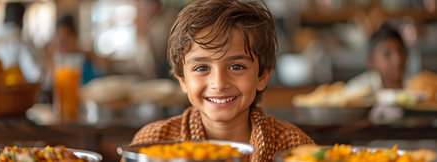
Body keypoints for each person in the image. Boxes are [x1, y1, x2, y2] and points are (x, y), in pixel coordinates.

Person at [129, 0, 314, 161]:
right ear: (182, 80)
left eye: (236, 67)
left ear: (262, 76)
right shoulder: (152, 143)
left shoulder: (295, 146)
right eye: (202, 68)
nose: (219, 83)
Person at [346, 24, 408, 94]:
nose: (397, 60)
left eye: (401, 51)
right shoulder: (356, 91)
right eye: (387, 54)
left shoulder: (416, 86)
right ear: (371, 62)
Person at [0, 2, 43, 84]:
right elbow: (37, 76)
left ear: (4, 18)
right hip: (14, 94)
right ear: (22, 21)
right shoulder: (21, 42)